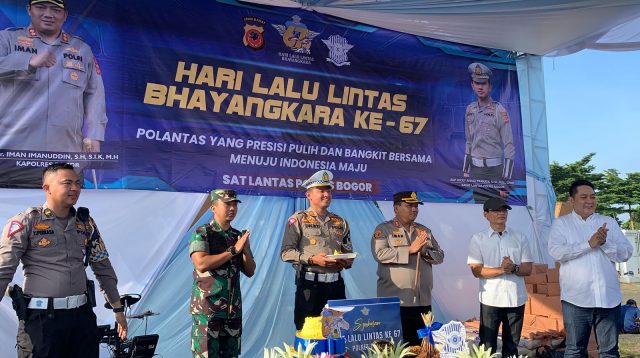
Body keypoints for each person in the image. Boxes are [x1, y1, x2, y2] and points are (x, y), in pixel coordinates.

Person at [0, 162, 127, 358]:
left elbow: (102, 266)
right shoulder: (27, 221)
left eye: (77, 183)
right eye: (67, 183)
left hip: (82, 319)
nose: (75, 188)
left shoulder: (85, 223)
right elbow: (4, 269)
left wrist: (117, 309)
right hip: (41, 321)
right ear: (47, 188)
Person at [0, 0, 107, 187]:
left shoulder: (82, 49)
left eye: (55, 9)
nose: (48, 14)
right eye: (41, 7)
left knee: (64, 216)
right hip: (14, 155)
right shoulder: (8, 39)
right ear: (29, 10)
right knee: (12, 216)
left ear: (65, 15)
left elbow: (94, 94)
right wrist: (28, 61)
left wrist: (95, 135)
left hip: (65, 157)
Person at [548, 179, 634, 357]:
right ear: (572, 200)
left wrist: (604, 244)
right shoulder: (561, 224)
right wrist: (588, 244)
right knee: (574, 350)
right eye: (584, 197)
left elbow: (626, 253)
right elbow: (556, 253)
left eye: (593, 197)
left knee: (610, 351)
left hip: (608, 299)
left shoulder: (608, 221)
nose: (590, 201)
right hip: (576, 300)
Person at [281, 170, 355, 330]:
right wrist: (313, 259)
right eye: (321, 191)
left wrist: (347, 260)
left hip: (336, 286)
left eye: (328, 190)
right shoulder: (298, 219)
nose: (326, 195)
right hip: (310, 287)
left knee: (337, 333)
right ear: (309, 195)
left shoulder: (341, 222)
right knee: (308, 335)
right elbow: (286, 253)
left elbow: (348, 251)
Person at [371, 191, 444, 346]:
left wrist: (423, 251)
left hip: (422, 301)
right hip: (396, 301)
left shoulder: (424, 231)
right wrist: (410, 250)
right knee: (396, 346)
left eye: (416, 206)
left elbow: (439, 256)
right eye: (409, 205)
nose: (414, 209)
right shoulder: (384, 230)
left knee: (421, 347)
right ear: (396, 208)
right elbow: (380, 254)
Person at [189, 189, 256, 357]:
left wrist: (246, 250)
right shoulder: (203, 233)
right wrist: (233, 250)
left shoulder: (236, 236)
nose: (232, 208)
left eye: (235, 204)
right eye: (227, 204)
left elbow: (250, 271)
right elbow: (201, 263)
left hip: (232, 311)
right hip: (208, 311)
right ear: (213, 207)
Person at [467, 197, 533, 356]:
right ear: (486, 214)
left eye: (504, 210)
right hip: (491, 299)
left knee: (511, 345)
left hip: (515, 298)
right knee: (487, 345)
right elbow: (477, 271)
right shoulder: (478, 239)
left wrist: (514, 267)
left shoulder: (520, 237)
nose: (501, 213)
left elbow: (528, 268)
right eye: (496, 210)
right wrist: (502, 269)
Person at [462, 62, 515, 203]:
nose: (480, 87)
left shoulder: (499, 110)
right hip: (476, 171)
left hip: (495, 171)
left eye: (483, 83)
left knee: (497, 211)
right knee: (480, 212)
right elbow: (468, 141)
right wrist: (465, 171)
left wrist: (506, 180)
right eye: (477, 83)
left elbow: (509, 145)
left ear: (490, 86)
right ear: (472, 85)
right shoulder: (469, 110)